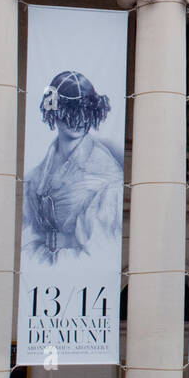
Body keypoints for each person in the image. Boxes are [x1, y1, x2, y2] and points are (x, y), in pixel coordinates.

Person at [23, 70, 123, 266]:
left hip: (76, 273)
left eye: (84, 113)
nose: (77, 122)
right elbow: (26, 234)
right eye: (69, 113)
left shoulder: (106, 175)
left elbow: (98, 253)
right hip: (39, 275)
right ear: (54, 113)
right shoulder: (36, 175)